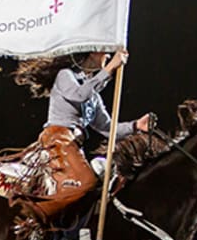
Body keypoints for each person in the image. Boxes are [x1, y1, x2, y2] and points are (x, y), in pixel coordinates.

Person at [11, 49, 152, 223]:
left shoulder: (93, 95)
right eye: (105, 53)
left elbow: (107, 128)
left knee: (101, 183)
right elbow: (78, 95)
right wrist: (109, 69)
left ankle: (69, 235)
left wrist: (136, 125)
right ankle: (35, 218)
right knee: (86, 182)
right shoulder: (66, 75)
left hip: (73, 143)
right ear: (92, 53)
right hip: (58, 138)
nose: (108, 56)